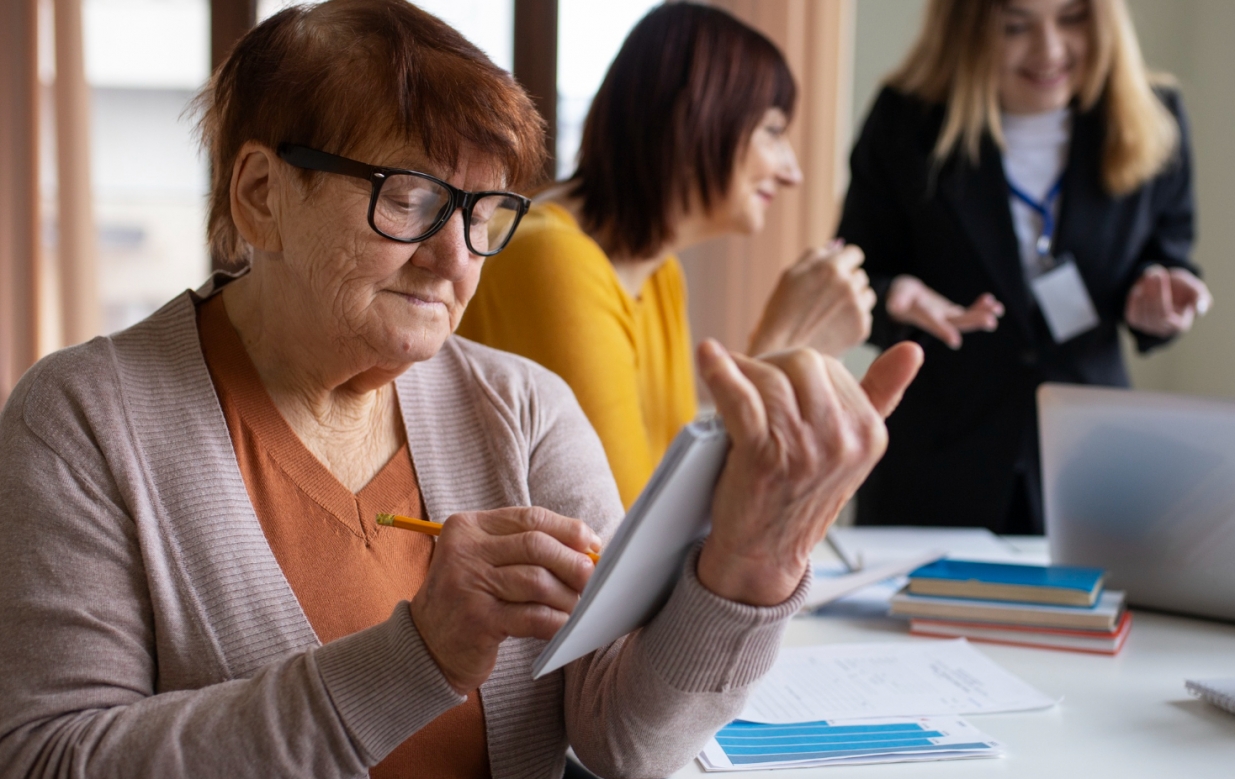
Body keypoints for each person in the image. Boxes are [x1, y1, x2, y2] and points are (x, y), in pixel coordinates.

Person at [0, 2, 923, 778]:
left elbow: (622, 736)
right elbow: (49, 756)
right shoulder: (82, 420)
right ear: (259, 195)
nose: (456, 258)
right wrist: (418, 659)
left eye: (486, 212)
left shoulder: (523, 409)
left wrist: (751, 571)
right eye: (409, 197)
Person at [457, 3, 876, 509]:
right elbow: (626, 533)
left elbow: (674, 507)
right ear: (695, 118)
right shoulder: (553, 257)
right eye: (771, 130)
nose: (792, 172)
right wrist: (782, 347)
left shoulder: (657, 270)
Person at [839, 0, 1212, 534]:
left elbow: (1168, 253)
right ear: (964, 29)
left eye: (1072, 19)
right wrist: (894, 292)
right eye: (1016, 26)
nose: (1050, 49)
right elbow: (856, 272)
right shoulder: (906, 123)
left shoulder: (1158, 115)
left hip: (1091, 464)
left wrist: (1159, 299)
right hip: (938, 461)